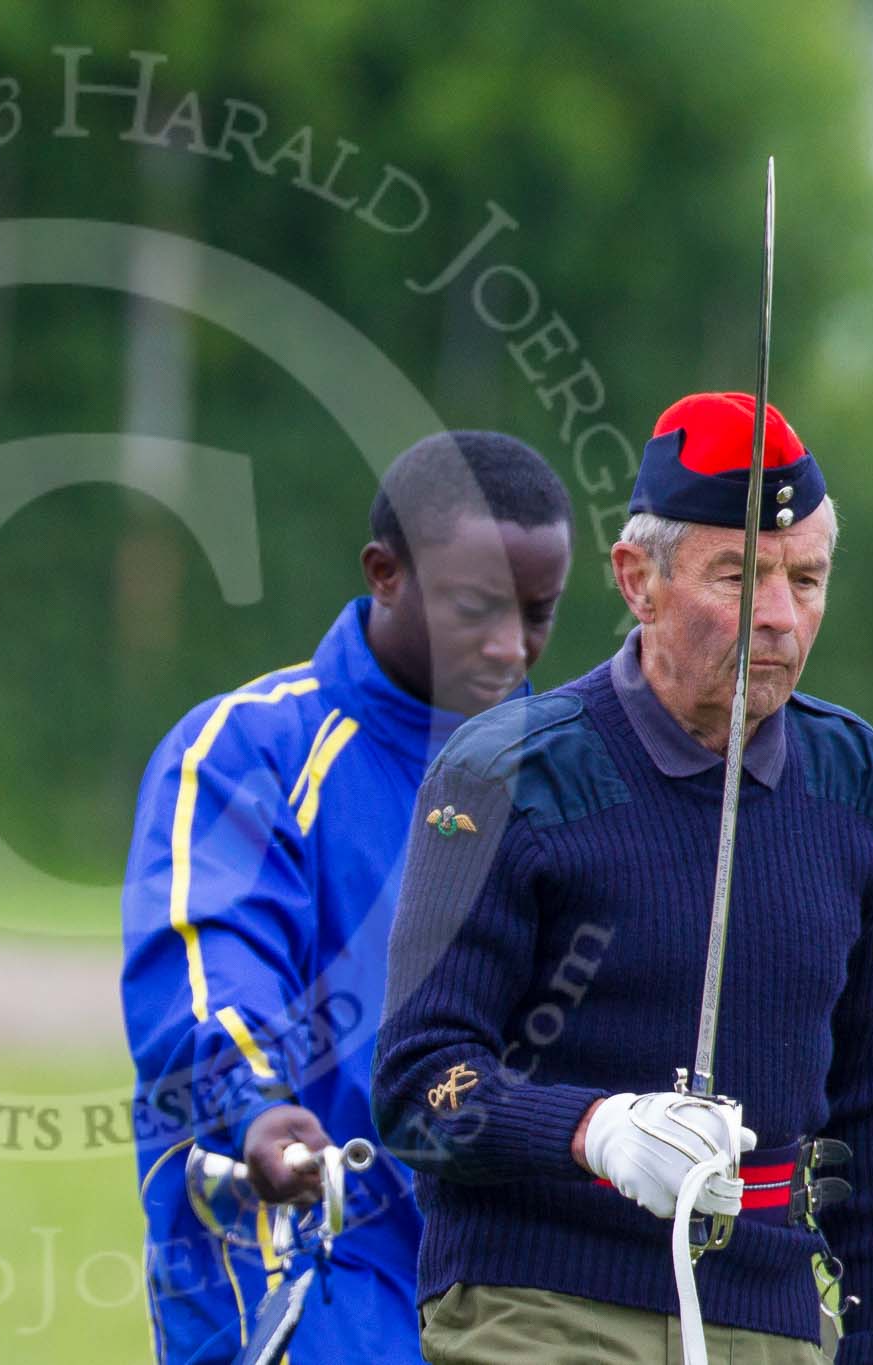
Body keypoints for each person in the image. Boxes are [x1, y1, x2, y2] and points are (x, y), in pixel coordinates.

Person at [372, 393, 873, 1364]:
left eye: (806, 578)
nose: (781, 619)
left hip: (772, 1317)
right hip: (538, 1306)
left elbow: (872, 1098)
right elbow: (421, 1083)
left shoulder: (852, 779)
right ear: (637, 579)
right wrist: (591, 1129)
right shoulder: (502, 775)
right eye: (737, 577)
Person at [120, 432, 575, 1364]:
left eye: (537, 614)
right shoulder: (251, 749)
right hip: (302, 1238)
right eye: (476, 608)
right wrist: (255, 1105)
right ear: (385, 574)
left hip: (513, 1269)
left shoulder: (575, 774)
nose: (507, 646)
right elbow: (213, 964)